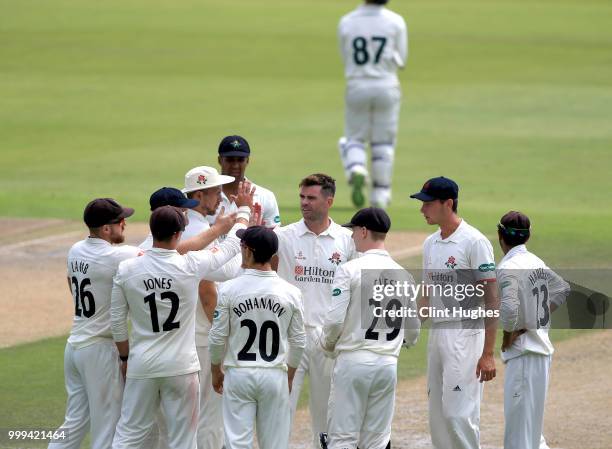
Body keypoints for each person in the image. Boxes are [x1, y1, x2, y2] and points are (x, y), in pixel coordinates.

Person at [110, 202, 251, 449]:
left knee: (128, 436)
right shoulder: (190, 265)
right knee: (184, 441)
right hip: (182, 367)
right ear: (178, 234)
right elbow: (229, 249)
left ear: (152, 230)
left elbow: (117, 322)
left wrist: (124, 358)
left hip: (142, 364)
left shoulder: (127, 268)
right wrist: (243, 215)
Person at [319, 207, 421, 449]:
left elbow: (334, 321)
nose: (352, 236)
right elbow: (414, 330)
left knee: (342, 438)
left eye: (354, 230)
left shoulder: (349, 269)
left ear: (364, 231)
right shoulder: (404, 275)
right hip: (387, 364)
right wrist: (402, 342)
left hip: (353, 361)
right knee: (376, 441)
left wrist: (327, 345)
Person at [410, 176, 499, 449]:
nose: (422, 209)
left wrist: (487, 353)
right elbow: (425, 296)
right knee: (437, 413)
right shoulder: (430, 243)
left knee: (458, 414)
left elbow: (492, 300)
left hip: (465, 334)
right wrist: (405, 326)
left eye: (427, 204)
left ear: (448, 203)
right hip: (438, 334)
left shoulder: (474, 242)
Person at [48, 198, 141, 449]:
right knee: (107, 427)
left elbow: (71, 283)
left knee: (74, 422)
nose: (125, 225)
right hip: (100, 351)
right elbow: (166, 251)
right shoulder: (117, 255)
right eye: (121, 221)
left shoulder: (75, 249)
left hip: (75, 346)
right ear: (106, 229)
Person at [273, 173, 357, 448]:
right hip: (289, 335)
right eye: (301, 197)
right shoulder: (284, 237)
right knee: (280, 407)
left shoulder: (347, 240)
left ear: (329, 201)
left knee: (325, 413)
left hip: (328, 338)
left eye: (311, 197)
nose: (304, 203)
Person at [208, 226, 306, 449]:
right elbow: (299, 341)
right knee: (274, 445)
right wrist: (289, 376)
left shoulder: (228, 289)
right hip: (274, 374)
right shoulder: (291, 292)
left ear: (248, 251)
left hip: (239, 373)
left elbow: (217, 337)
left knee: (236, 444)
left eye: (242, 246)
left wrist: (215, 370)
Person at [181, 166, 244, 449]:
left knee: (188, 416)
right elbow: (210, 287)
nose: (220, 197)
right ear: (198, 194)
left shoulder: (187, 229)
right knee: (210, 414)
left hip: (186, 337)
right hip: (204, 338)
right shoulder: (198, 232)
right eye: (215, 191)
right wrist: (224, 334)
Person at [496, 211, 570, 449]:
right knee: (532, 433)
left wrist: (510, 332)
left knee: (518, 436)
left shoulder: (508, 266)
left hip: (524, 356)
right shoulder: (536, 261)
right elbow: (562, 289)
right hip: (540, 354)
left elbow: (508, 309)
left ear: (500, 236)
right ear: (527, 238)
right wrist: (535, 319)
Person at [337, 0, 408, 209]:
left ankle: (356, 168)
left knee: (354, 138)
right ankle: (380, 195)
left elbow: (345, 56)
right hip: (387, 85)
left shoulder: (347, 21)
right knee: (383, 142)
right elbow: (401, 59)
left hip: (357, 84)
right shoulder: (396, 21)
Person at [209, 135, 281, 230]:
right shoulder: (206, 195)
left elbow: (274, 236)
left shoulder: (266, 196)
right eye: (230, 160)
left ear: (247, 161)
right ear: (220, 160)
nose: (235, 165)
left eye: (240, 160)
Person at [140, 186, 233, 253]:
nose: (187, 215)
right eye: (183, 211)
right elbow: (225, 272)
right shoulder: (175, 255)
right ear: (167, 213)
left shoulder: (142, 250)